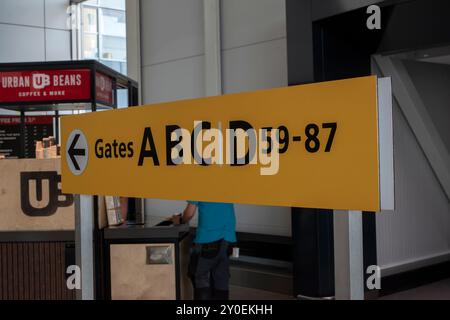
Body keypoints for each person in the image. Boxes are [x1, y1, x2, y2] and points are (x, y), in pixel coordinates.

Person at [171, 201, 236, 300]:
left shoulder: (200, 186)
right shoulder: (228, 185)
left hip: (208, 239)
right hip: (228, 240)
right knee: (221, 279)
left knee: (199, 277)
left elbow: (189, 214)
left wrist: (180, 220)